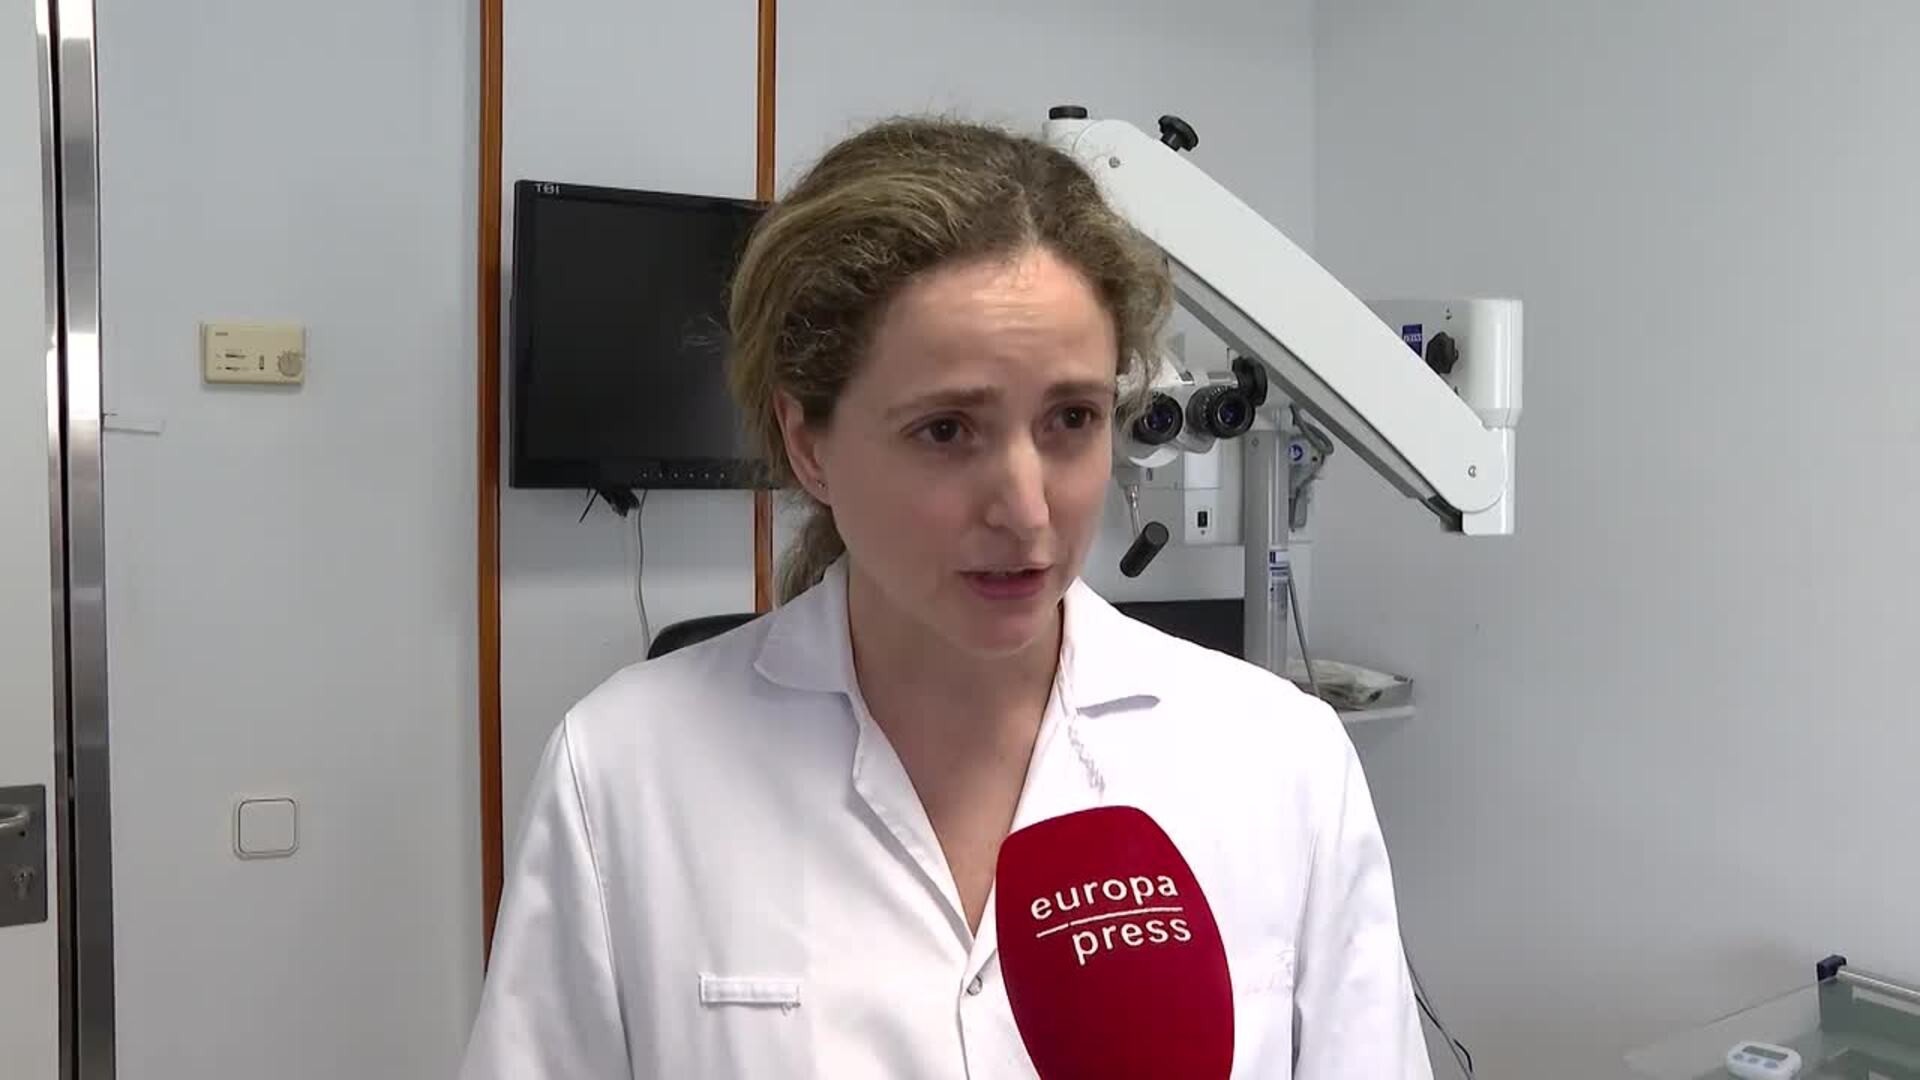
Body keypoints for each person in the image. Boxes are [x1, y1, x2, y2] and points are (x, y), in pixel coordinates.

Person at [459, 117, 1432, 1079]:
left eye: (1072, 418)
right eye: (946, 431)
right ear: (808, 444)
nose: (1026, 509)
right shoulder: (626, 771)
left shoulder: (1279, 762)